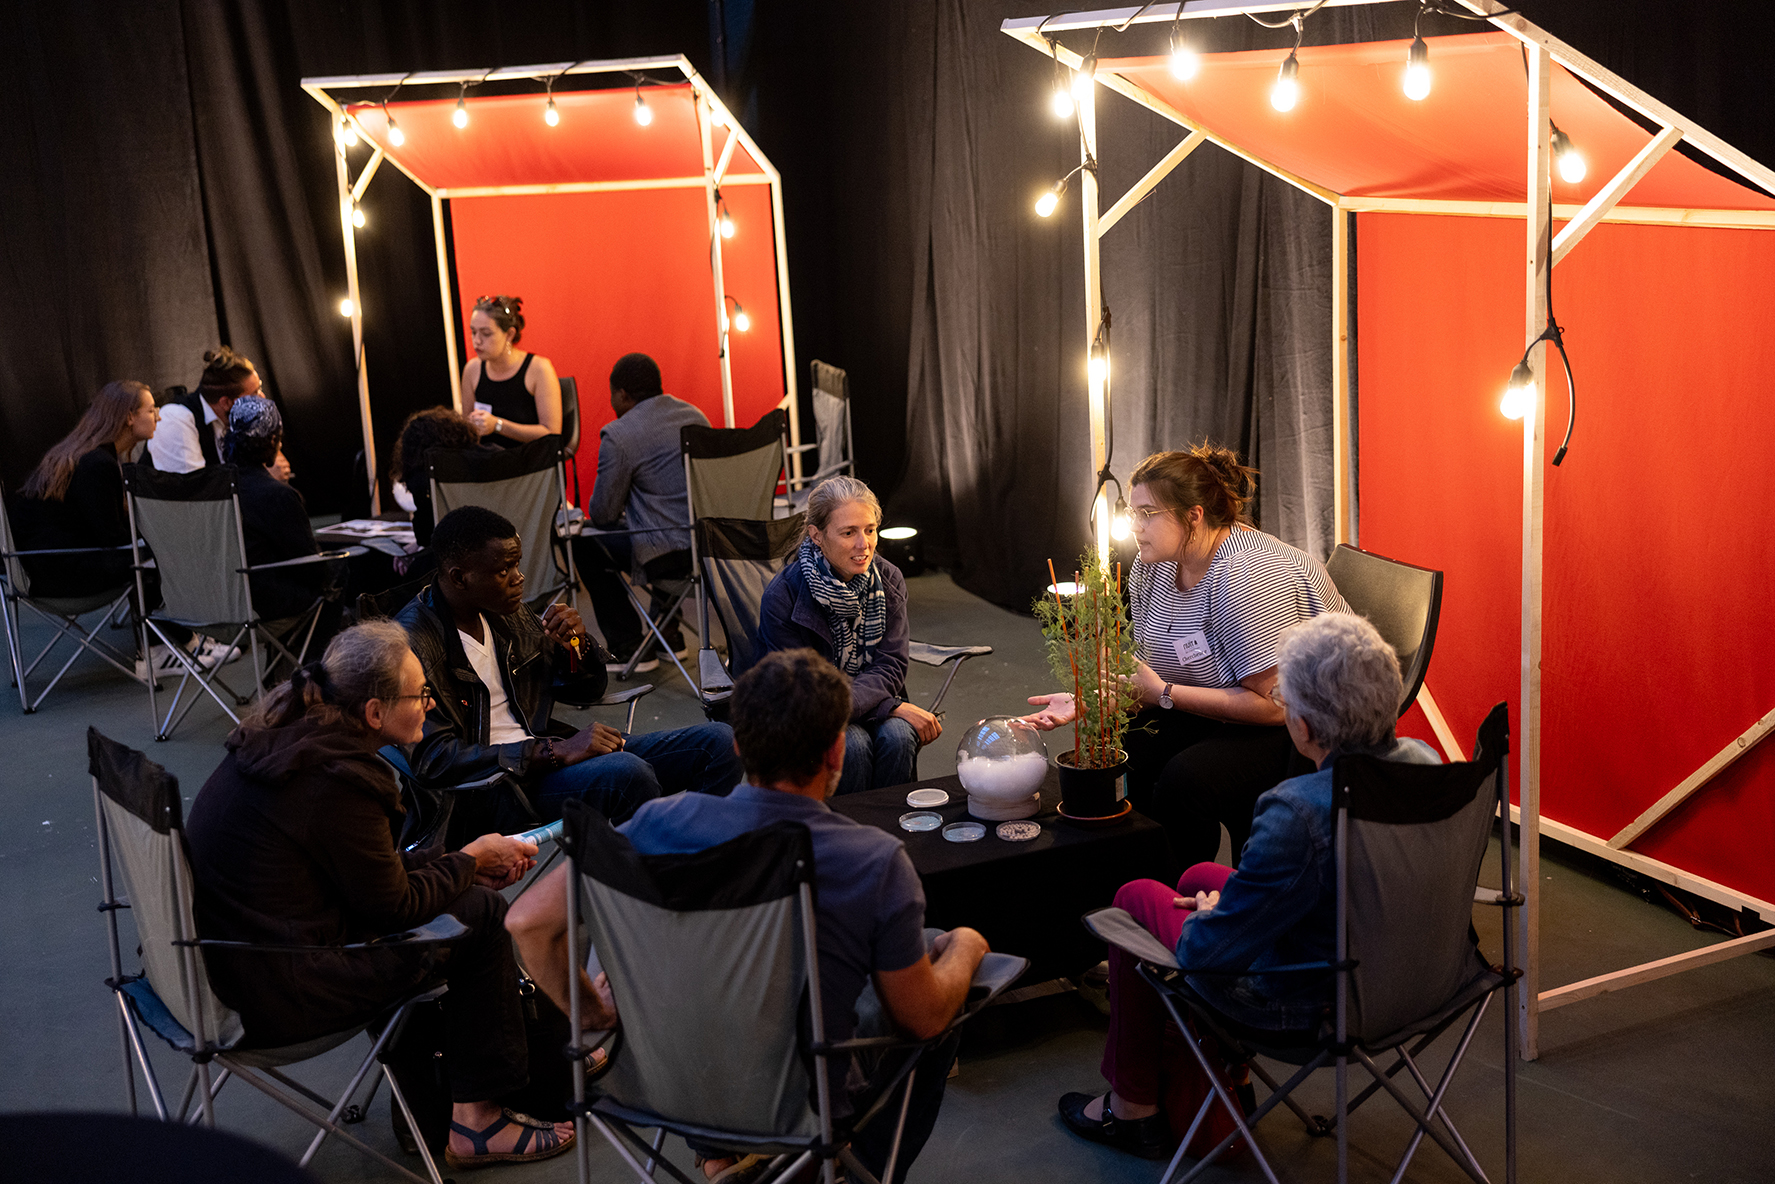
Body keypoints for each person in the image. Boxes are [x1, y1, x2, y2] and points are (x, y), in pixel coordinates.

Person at [506, 648, 991, 1184]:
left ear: (738, 744)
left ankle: (725, 1153)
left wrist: (592, 1013)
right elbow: (922, 1018)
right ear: (836, 751)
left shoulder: (655, 823)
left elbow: (527, 922)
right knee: (937, 961)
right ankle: (847, 1173)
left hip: (667, 1085)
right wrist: (966, 945)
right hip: (799, 1104)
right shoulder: (870, 860)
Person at [183, 622, 577, 1169]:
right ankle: (477, 1121)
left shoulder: (284, 737)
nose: (431, 703)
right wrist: (467, 864)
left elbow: (362, 876)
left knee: (464, 899)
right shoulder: (338, 778)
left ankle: (464, 1091)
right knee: (482, 916)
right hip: (277, 991)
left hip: (215, 969)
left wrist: (458, 865)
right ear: (374, 712)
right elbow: (390, 907)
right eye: (420, 694)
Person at [1057, 612, 1441, 1158]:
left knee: (1135, 898)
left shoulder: (1297, 810)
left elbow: (1205, 953)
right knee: (1198, 877)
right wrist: (1225, 903)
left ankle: (1131, 1108)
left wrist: (1213, 917)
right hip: (1414, 977)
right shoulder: (1425, 762)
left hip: (1314, 1004)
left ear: (1303, 727)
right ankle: (1229, 1076)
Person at [1027, 444, 1348, 866]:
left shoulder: (1246, 575)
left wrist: (1164, 694)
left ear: (1193, 515)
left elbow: (1276, 705)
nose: (1135, 526)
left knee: (1186, 781)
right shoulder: (1154, 564)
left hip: (1304, 720)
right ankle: (1150, 877)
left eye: (1147, 513)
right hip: (1222, 699)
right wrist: (1093, 700)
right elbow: (1155, 675)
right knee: (1128, 746)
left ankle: (1188, 892)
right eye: (1133, 512)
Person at [394, 506, 741, 841]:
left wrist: (576, 647)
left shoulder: (504, 612)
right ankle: (657, 872)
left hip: (547, 757)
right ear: (459, 577)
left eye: (517, 565)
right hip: (495, 791)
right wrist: (551, 752)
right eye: (504, 571)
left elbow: (585, 692)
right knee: (628, 774)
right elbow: (434, 760)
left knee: (721, 743)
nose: (519, 578)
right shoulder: (411, 645)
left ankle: (694, 853)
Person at [11, 379, 231, 676]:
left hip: (45, 567)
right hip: (59, 573)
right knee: (154, 555)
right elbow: (111, 537)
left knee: (154, 548)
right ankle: (164, 650)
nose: (159, 417)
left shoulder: (91, 454)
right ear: (129, 417)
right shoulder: (96, 464)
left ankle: (184, 642)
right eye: (151, 410)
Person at [756, 476, 939, 795]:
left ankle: (895, 825)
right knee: (850, 744)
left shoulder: (889, 579)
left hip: (869, 697)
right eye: (848, 532)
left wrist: (885, 708)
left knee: (898, 737)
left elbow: (890, 666)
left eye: (870, 530)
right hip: (810, 714)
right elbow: (803, 692)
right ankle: (844, 825)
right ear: (817, 535)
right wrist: (889, 707)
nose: (863, 544)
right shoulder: (783, 596)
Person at [570, 352, 706, 674]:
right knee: (663, 523)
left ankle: (629, 646)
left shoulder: (619, 434)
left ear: (622, 394)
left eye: (612, 395)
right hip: (708, 549)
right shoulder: (696, 417)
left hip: (668, 558)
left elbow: (603, 514)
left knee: (584, 542)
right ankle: (667, 634)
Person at [224, 395, 346, 643]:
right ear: (272, 440)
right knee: (337, 568)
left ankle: (288, 661)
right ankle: (313, 661)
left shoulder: (211, 489)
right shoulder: (277, 495)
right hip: (262, 608)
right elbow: (311, 568)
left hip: (213, 607)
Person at [459, 296, 562, 448]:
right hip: (487, 458)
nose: (477, 341)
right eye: (473, 332)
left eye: (486, 333)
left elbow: (551, 433)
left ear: (509, 334)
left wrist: (498, 425)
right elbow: (467, 429)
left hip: (529, 458)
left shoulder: (539, 369)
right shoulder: (472, 370)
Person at [148, 347, 255, 473]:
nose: (262, 397)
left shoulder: (239, 421)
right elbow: (194, 483)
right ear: (225, 403)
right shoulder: (175, 419)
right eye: (254, 394)